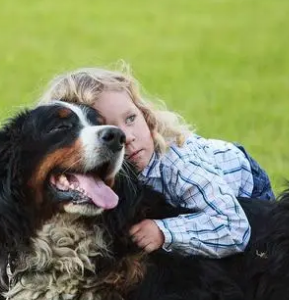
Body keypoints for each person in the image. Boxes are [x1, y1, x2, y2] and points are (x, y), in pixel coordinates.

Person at [38, 63, 275, 258]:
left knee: (257, 256)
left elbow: (233, 227)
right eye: (107, 131)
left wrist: (164, 232)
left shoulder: (179, 165)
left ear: (146, 115)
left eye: (131, 118)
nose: (127, 137)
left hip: (244, 191)